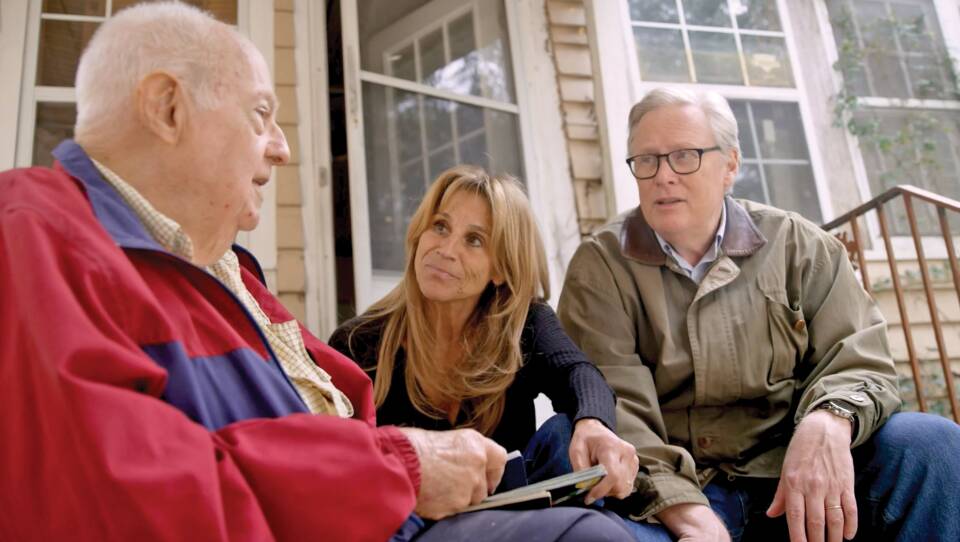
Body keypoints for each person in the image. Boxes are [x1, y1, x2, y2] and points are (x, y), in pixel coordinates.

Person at [0, 3, 636, 541]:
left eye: (476, 240)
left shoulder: (219, 268)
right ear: (167, 109)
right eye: (260, 114)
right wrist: (401, 468)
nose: (281, 146)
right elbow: (119, 495)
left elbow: (577, 375)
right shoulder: (35, 235)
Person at [557, 86, 960, 542]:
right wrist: (690, 516)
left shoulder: (799, 246)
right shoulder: (600, 268)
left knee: (932, 444)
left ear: (730, 164)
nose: (662, 176)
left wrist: (828, 419)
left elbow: (858, 359)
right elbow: (616, 410)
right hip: (670, 493)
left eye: (684, 156)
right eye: (646, 160)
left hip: (794, 475)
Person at [329, 165, 639, 504]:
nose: (445, 250)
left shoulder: (524, 324)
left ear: (500, 269)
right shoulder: (358, 342)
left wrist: (594, 423)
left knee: (568, 433)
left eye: (474, 240)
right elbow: (336, 461)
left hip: (509, 514)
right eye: (440, 226)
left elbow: (577, 372)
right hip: (408, 516)